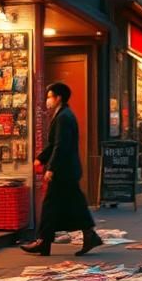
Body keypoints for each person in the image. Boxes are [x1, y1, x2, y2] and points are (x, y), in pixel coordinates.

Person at [21, 82, 103, 256]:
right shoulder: (62, 114)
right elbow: (54, 144)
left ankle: (44, 241)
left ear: (58, 98)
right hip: (67, 170)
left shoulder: (64, 117)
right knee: (73, 204)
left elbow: (61, 145)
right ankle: (86, 235)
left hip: (64, 171)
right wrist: (41, 158)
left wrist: (51, 168)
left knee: (52, 205)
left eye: (49, 97)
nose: (47, 100)